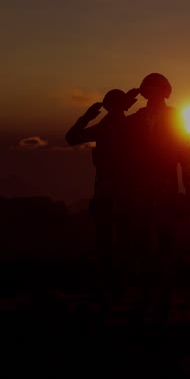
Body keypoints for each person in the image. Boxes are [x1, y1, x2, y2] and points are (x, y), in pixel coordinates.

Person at [124, 72, 190, 325]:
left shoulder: (176, 117)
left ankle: (164, 296)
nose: (154, 95)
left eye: (158, 90)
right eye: (150, 90)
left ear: (165, 92)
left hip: (166, 184)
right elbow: (123, 150)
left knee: (166, 241)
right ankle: (145, 293)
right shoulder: (135, 119)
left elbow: (185, 155)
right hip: (140, 186)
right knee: (141, 241)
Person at [65, 87, 140, 315]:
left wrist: (87, 117)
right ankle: (119, 283)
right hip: (122, 187)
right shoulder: (129, 125)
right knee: (121, 236)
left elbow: (72, 137)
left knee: (108, 236)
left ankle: (110, 283)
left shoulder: (105, 127)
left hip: (111, 187)